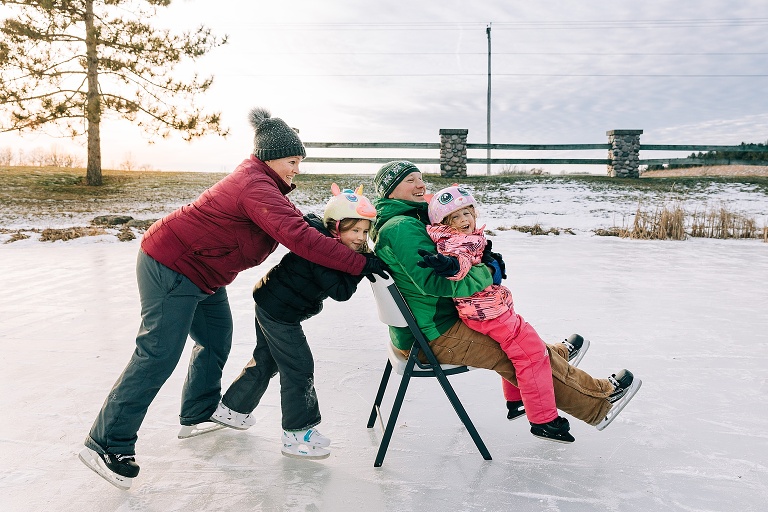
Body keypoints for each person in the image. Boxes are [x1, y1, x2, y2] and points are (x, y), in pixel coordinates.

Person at [78, 109, 389, 490]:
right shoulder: (254, 186)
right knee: (157, 354)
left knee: (215, 339)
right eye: (293, 161)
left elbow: (299, 223)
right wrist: (358, 262)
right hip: (173, 265)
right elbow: (300, 238)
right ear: (271, 157)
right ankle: (106, 443)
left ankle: (196, 414)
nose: (297, 169)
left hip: (203, 273)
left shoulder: (265, 187)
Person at [370, 160, 641, 443]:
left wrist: (482, 257)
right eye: (411, 180)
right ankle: (598, 401)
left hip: (428, 325)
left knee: (520, 337)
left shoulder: (405, 221)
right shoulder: (401, 227)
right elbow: (437, 282)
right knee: (524, 354)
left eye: (421, 178)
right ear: (390, 190)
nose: (421, 185)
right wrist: (488, 272)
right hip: (433, 334)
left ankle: (554, 359)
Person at [199, 184, 377, 461]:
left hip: (271, 300)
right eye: (354, 230)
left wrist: (360, 261)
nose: (360, 237)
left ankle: (232, 409)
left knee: (267, 360)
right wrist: (363, 266)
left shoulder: (328, 244)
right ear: (335, 227)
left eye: (365, 232)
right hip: (280, 311)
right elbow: (341, 292)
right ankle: (297, 432)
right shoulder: (323, 251)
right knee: (298, 367)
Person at [418, 184, 573, 442]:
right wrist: (448, 266)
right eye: (455, 217)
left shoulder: (458, 237)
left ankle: (516, 401)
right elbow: (460, 261)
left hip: (485, 310)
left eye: (467, 213)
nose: (464, 220)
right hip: (489, 313)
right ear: (445, 223)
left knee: (515, 353)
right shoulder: (457, 242)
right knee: (533, 355)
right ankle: (544, 420)